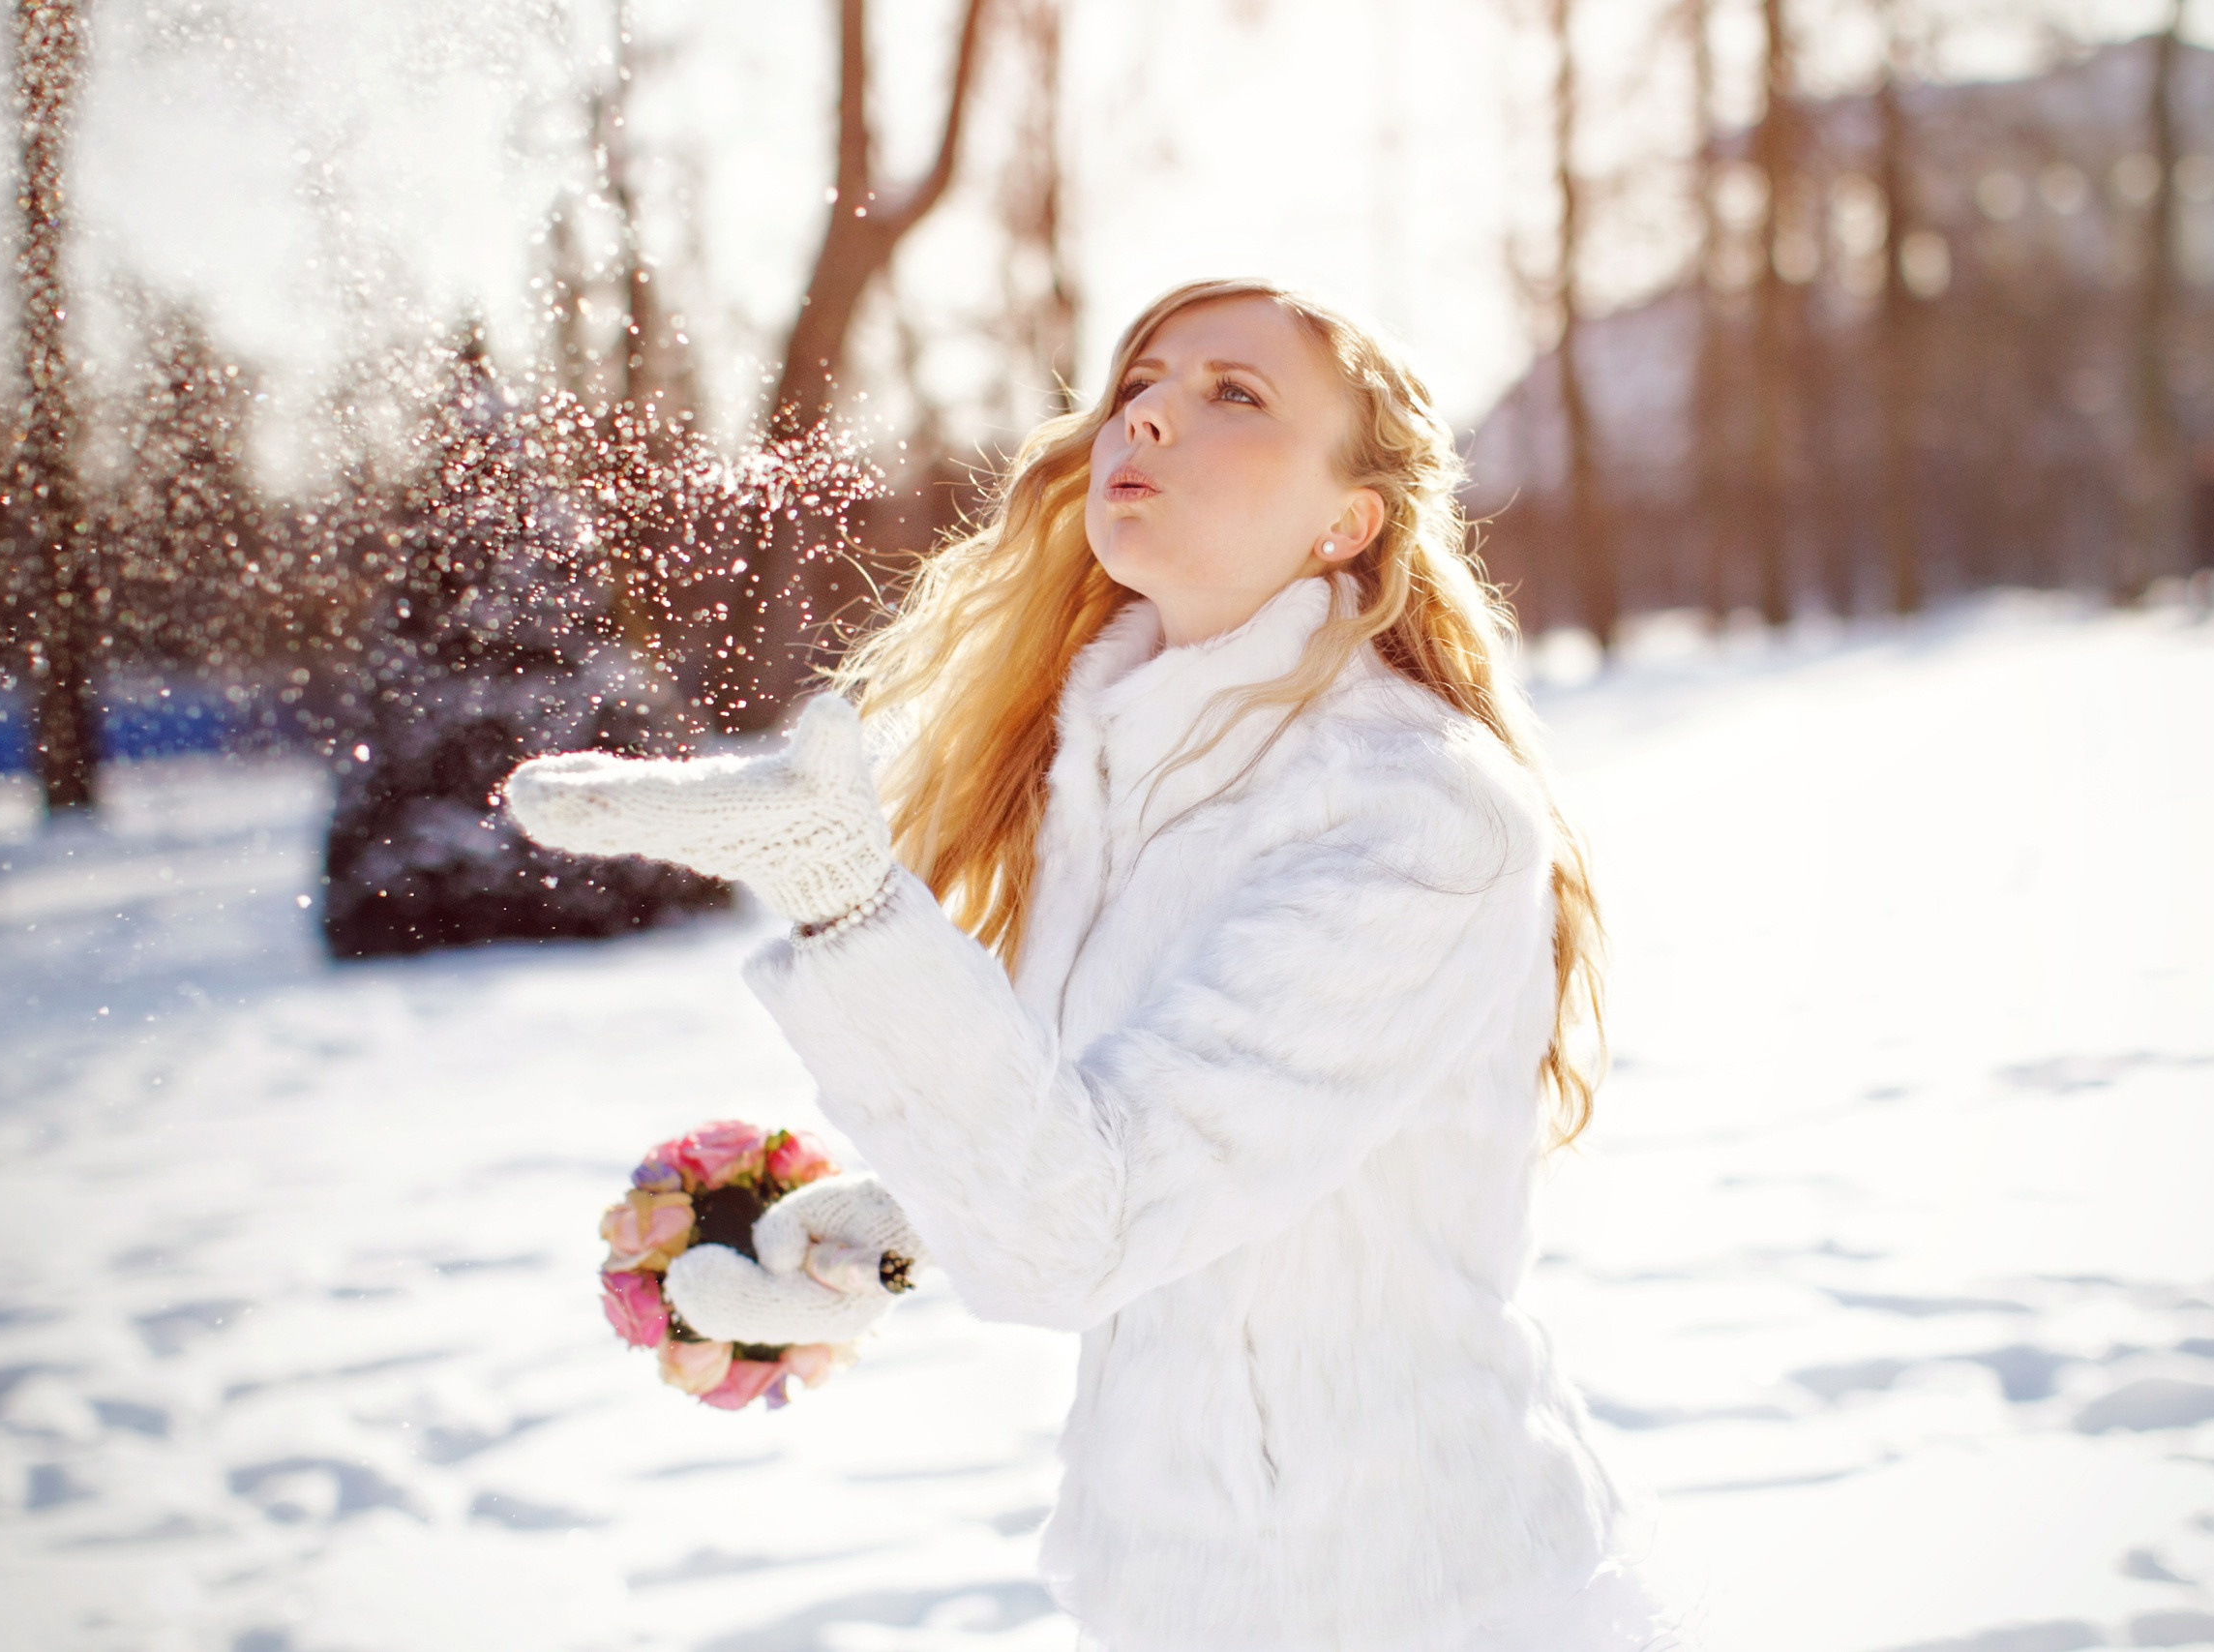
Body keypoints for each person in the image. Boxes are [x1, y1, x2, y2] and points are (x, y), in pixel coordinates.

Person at [505, 279, 1683, 1651]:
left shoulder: (1412, 814)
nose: (1155, 416)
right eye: (1142, 384)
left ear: (1346, 520)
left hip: (1422, 1598)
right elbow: (1111, 1144)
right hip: (1172, 1591)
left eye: (1233, 395)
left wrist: (848, 901)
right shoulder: (1122, 772)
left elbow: (1090, 1225)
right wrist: (891, 1238)